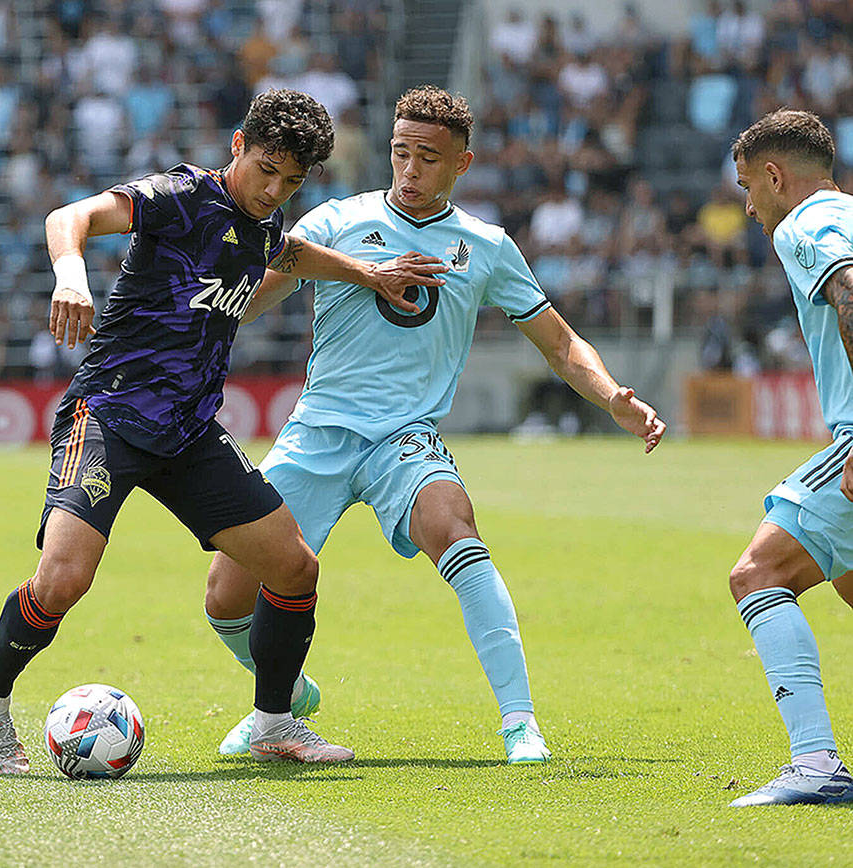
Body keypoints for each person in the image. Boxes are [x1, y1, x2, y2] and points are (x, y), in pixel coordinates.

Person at [0, 89, 447, 773]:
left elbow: (289, 254)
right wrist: (70, 276)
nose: (273, 189)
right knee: (64, 579)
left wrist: (367, 273)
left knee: (293, 567)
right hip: (110, 415)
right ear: (237, 146)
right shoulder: (178, 196)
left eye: (290, 180)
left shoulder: (261, 222)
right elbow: (68, 215)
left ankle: (275, 723)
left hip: (190, 433)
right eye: (265, 169)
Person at [204, 86, 666, 764]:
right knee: (225, 598)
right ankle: (284, 699)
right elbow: (245, 302)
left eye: (428, 158)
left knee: (457, 530)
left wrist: (612, 397)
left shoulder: (485, 246)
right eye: (400, 154)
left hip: (405, 439)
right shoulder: (336, 221)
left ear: (463, 165)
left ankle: (520, 723)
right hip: (319, 431)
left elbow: (561, 344)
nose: (410, 172)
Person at [725, 109, 853, 806]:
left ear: (775, 175)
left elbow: (850, 289)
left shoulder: (806, 224)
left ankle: (815, 766)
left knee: (758, 573)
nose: (749, 207)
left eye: (749, 187)